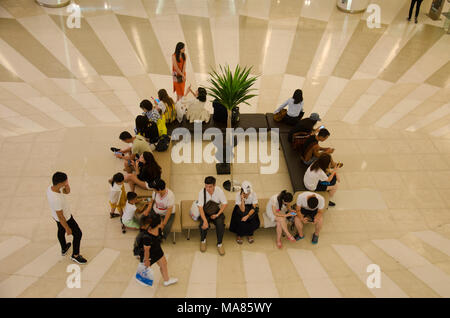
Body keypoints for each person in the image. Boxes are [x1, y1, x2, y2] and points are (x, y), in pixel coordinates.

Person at [47, 172, 87, 264]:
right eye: (65, 181)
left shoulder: (51, 187)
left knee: (60, 231)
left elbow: (67, 192)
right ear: (60, 183)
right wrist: (67, 228)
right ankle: (75, 255)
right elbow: (61, 216)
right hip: (66, 218)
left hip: (56, 217)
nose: (67, 182)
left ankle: (64, 248)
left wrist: (67, 185)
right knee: (78, 234)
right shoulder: (55, 199)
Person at [136, 213, 178, 286]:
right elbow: (146, 250)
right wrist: (146, 260)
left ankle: (166, 280)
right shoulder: (147, 237)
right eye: (161, 221)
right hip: (149, 254)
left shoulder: (158, 229)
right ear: (156, 225)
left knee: (164, 264)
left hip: (157, 250)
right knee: (146, 267)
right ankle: (144, 279)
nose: (163, 222)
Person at [197, 176, 228, 255]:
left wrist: (217, 215)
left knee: (220, 224)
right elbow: (200, 207)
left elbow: (224, 203)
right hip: (205, 212)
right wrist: (205, 221)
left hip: (216, 211)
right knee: (202, 224)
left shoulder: (219, 191)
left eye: (210, 187)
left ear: (214, 185)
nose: (208, 189)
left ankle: (219, 244)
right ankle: (203, 240)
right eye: (206, 186)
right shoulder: (201, 192)